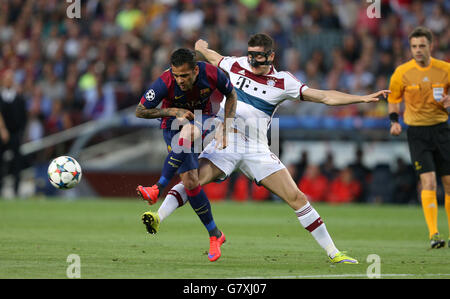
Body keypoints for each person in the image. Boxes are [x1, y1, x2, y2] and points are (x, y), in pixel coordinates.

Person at [141, 33, 390, 264]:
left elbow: (324, 96)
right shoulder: (235, 65)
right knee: (193, 180)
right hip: (225, 140)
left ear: (271, 55)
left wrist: (362, 98)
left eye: (258, 55)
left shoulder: (284, 82)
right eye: (250, 54)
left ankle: (333, 253)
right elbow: (213, 57)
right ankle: (158, 217)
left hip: (257, 148)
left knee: (297, 198)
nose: (252, 59)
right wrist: (201, 47)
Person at [135, 48, 237, 261]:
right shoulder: (165, 82)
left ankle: (157, 188)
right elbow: (141, 110)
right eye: (176, 75)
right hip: (172, 125)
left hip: (202, 118)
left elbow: (231, 94)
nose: (180, 80)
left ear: (195, 71)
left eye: (184, 75)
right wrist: (172, 111)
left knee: (190, 130)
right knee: (191, 182)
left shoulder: (211, 73)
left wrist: (226, 126)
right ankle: (215, 235)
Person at [388, 26, 450, 249]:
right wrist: (394, 121)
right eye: (414, 46)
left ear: (431, 46)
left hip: (442, 130)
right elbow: (393, 98)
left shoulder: (445, 70)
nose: (418, 50)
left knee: (449, 182)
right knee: (429, 181)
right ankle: (434, 233)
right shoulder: (402, 72)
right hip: (417, 133)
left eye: (422, 46)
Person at [0, 69, 28, 197]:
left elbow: (23, 117)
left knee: (17, 163)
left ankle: (16, 190)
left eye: (11, 78)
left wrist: (21, 133)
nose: (9, 80)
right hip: (2, 134)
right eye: (7, 77)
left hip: (16, 134)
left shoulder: (19, 97)